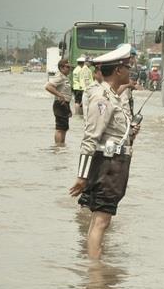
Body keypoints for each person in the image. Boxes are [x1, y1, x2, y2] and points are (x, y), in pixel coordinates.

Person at [68, 44, 140, 259]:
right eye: (127, 66)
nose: (130, 70)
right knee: (102, 221)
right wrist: (81, 176)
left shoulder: (113, 96)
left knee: (100, 220)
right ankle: (95, 273)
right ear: (118, 70)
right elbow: (91, 137)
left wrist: (130, 133)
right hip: (108, 165)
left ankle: (92, 267)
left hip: (114, 162)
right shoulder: (103, 98)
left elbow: (113, 131)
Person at [44, 58, 73, 144]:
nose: (69, 69)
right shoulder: (59, 76)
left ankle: (61, 146)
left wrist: (69, 108)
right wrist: (59, 95)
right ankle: (58, 146)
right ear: (61, 67)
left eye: (70, 67)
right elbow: (48, 86)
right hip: (60, 104)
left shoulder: (65, 77)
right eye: (67, 67)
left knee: (64, 128)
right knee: (60, 128)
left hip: (65, 104)